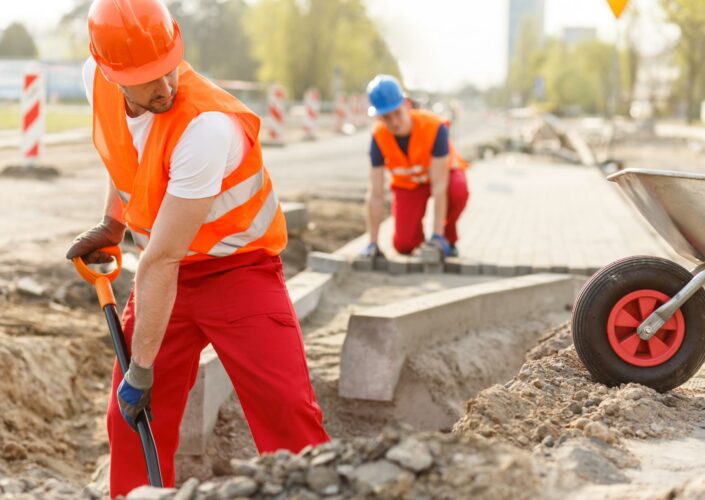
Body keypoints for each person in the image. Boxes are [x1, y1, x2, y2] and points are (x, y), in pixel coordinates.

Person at [66, 0, 329, 496]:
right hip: (167, 278)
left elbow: (160, 259)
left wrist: (142, 369)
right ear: (109, 71)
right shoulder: (95, 81)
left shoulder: (205, 126)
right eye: (146, 77)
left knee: (287, 415)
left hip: (239, 274)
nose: (164, 87)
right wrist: (111, 222)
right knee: (130, 423)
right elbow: (124, 155)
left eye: (167, 69)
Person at [362, 75, 470, 258]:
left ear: (407, 104)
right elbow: (376, 194)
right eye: (386, 117)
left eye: (397, 113)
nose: (394, 122)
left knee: (457, 190)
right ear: (379, 116)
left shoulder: (433, 127)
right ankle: (419, 242)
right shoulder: (379, 137)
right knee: (404, 245)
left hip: (442, 178)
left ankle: (447, 238)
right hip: (409, 185)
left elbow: (439, 186)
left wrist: (437, 236)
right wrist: (372, 243)